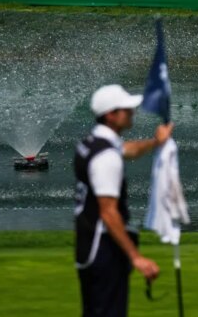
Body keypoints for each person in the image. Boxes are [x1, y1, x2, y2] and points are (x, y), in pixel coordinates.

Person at [74, 84, 174, 317]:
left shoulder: (91, 143)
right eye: (126, 109)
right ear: (111, 115)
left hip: (88, 245)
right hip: (105, 249)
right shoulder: (107, 156)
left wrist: (155, 142)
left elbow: (128, 149)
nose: (132, 112)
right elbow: (108, 212)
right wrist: (136, 257)